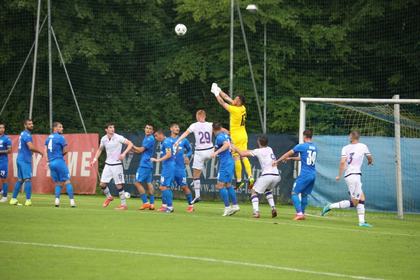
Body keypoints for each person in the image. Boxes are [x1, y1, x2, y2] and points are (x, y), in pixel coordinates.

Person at [321, 131, 373, 227]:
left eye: (349, 135)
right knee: (355, 202)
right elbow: (369, 157)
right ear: (358, 137)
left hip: (351, 175)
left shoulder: (345, 148)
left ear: (351, 137)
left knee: (361, 197)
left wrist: (339, 175)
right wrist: (370, 161)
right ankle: (330, 206)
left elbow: (342, 162)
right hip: (354, 176)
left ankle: (362, 222)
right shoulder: (363, 146)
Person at [211, 83, 254, 189]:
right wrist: (219, 89)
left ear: (238, 102)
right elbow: (226, 97)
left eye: (235, 98)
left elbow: (222, 102)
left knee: (236, 157)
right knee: (243, 155)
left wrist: (216, 94)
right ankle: (250, 177)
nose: (233, 99)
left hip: (235, 136)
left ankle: (239, 180)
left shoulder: (235, 110)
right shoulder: (242, 107)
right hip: (243, 134)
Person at [273, 129, 317, 220]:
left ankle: (299, 213)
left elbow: (286, 153)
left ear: (304, 136)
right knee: (304, 194)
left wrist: (277, 161)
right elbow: (304, 158)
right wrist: (291, 158)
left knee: (294, 193)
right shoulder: (315, 147)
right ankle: (302, 213)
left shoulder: (301, 146)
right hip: (313, 174)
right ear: (311, 137)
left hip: (305, 174)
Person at [233, 135, 279, 218]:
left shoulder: (258, 151)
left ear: (258, 142)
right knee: (268, 190)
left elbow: (243, 154)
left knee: (253, 191)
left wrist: (235, 148)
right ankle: (273, 208)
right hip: (276, 175)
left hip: (267, 175)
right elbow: (250, 151)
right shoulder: (269, 149)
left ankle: (256, 212)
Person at [173, 110, 213, 204]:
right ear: (205, 116)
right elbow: (221, 129)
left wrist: (177, 141)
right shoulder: (211, 124)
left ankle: (197, 194)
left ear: (197, 116)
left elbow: (185, 134)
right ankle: (196, 181)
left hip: (200, 152)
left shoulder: (194, 125)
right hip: (210, 151)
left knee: (195, 175)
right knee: (206, 160)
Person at [90, 123, 133, 210]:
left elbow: (130, 144)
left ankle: (123, 205)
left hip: (117, 165)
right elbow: (100, 149)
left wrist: (124, 153)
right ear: (106, 130)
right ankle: (109, 197)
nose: (112, 129)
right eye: (110, 127)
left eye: (113, 127)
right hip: (108, 165)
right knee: (102, 184)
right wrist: (94, 160)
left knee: (118, 185)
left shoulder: (118, 137)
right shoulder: (104, 139)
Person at [10, 119, 44, 206]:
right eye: (29, 124)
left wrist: (30, 152)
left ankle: (13, 199)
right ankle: (28, 200)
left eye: (32, 123)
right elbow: (30, 147)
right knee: (28, 179)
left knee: (20, 180)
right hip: (24, 160)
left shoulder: (23, 133)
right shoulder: (27, 135)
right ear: (25, 125)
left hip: (20, 158)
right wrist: (40, 152)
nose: (31, 125)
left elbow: (26, 147)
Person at [44, 122, 76, 208]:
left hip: (51, 162)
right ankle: (72, 202)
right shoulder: (61, 138)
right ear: (55, 128)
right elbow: (65, 150)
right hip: (59, 161)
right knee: (67, 180)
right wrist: (59, 155)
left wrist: (48, 161)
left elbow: (45, 151)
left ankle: (57, 201)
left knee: (58, 182)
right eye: (60, 127)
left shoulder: (48, 138)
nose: (62, 128)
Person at [212, 122, 240, 216]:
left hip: (225, 163)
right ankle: (235, 205)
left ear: (213, 130)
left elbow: (226, 145)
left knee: (220, 185)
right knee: (228, 185)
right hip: (229, 162)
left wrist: (216, 153)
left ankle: (227, 207)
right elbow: (231, 145)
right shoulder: (226, 136)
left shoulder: (219, 137)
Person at [169, 123, 193, 212]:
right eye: (175, 127)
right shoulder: (167, 140)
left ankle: (191, 205)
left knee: (184, 186)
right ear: (171, 129)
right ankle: (167, 205)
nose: (177, 128)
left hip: (180, 168)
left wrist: (186, 155)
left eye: (178, 127)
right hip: (170, 168)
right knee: (166, 186)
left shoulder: (184, 140)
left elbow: (190, 150)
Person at [151, 129, 176, 213]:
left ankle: (170, 207)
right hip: (167, 166)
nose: (155, 138)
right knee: (163, 187)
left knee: (164, 187)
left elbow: (169, 155)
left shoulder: (166, 142)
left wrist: (158, 160)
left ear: (161, 135)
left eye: (156, 136)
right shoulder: (164, 142)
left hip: (169, 166)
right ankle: (165, 206)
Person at [132, 124, 156, 210]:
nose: (148, 130)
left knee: (137, 182)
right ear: (144, 129)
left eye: (150, 129)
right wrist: (133, 149)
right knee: (149, 183)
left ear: (152, 131)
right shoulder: (147, 138)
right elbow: (141, 151)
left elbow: (141, 150)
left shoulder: (150, 139)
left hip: (145, 164)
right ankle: (152, 204)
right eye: (147, 128)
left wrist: (132, 145)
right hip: (148, 164)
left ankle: (145, 202)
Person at [0, 122, 12, 203]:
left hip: (2, 161)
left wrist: (0, 151)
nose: (2, 129)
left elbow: (9, 150)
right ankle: (3, 191)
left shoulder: (7, 138)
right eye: (0, 128)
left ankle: (4, 197)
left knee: (4, 179)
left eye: (3, 128)